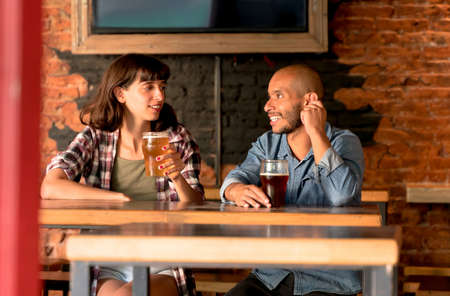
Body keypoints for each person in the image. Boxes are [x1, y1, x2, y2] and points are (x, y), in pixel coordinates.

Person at [41, 54, 203, 296]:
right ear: (120, 94)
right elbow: (50, 187)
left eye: (162, 87)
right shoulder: (96, 137)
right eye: (149, 87)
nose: (160, 96)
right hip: (109, 256)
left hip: (162, 257)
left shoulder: (176, 137)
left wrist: (177, 176)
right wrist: (116, 199)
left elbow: (196, 205)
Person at [220, 64, 364, 296]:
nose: (268, 106)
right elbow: (236, 177)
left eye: (278, 96)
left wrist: (316, 132)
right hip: (271, 276)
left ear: (309, 101)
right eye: (269, 97)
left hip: (329, 280)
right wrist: (235, 190)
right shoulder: (267, 144)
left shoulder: (344, 142)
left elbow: (341, 195)